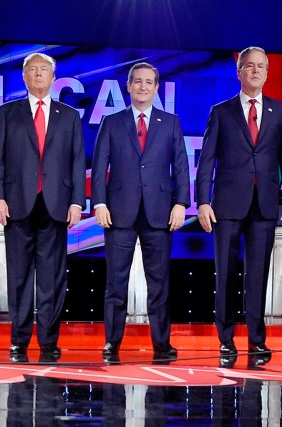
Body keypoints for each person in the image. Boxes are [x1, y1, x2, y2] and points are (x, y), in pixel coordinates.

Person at [195, 46, 282, 367]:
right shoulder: (221, 111)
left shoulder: (280, 112)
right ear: (238, 72)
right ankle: (226, 339)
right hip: (226, 205)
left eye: (261, 67)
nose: (255, 71)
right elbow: (206, 160)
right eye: (249, 66)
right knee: (225, 274)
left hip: (265, 205)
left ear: (267, 73)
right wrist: (202, 201)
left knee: (257, 275)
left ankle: (257, 340)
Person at [0, 52, 86, 363]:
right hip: (17, 203)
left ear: (54, 78)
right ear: (25, 76)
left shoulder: (69, 115)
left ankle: (48, 341)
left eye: (45, 70)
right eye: (33, 70)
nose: (39, 74)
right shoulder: (8, 112)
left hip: (56, 204)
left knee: (51, 277)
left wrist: (76, 201)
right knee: (18, 275)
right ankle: (18, 340)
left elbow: (76, 160)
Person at [91, 62, 190, 362]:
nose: (143, 86)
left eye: (149, 82)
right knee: (115, 283)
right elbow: (99, 167)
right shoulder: (112, 122)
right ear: (129, 86)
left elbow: (181, 166)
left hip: (159, 214)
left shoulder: (170, 122)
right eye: (138, 82)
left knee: (158, 283)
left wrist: (181, 203)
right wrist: (99, 203)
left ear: (156, 87)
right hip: (118, 212)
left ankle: (162, 344)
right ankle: (112, 343)